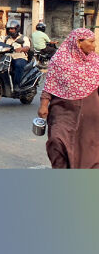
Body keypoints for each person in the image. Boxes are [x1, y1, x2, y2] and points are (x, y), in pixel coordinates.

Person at [37, 28, 99, 168]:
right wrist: (43, 105)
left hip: (90, 116)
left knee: (89, 152)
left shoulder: (96, 62)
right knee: (56, 141)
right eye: (91, 42)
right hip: (62, 112)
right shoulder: (59, 60)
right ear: (78, 42)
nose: (94, 46)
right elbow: (50, 85)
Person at [4, 19, 30, 89]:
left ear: (17, 29)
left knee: (18, 64)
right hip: (8, 58)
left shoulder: (23, 38)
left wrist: (21, 49)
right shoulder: (6, 39)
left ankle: (17, 85)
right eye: (9, 29)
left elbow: (27, 47)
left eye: (12, 29)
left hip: (20, 58)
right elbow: (1, 45)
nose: (10, 30)